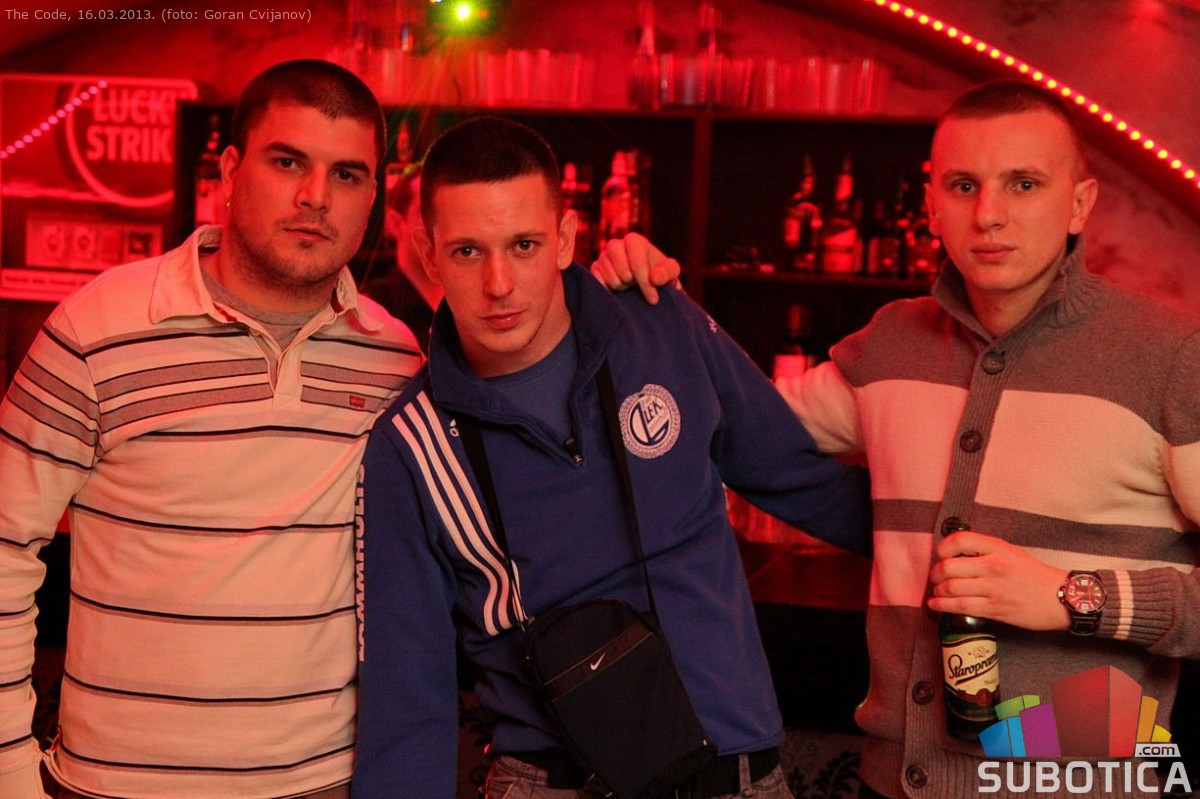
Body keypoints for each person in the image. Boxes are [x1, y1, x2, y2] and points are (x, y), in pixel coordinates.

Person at [599, 79, 1200, 798]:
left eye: (1024, 184)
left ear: (1079, 203)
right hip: (891, 783)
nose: (989, 214)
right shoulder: (892, 343)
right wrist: (651, 308)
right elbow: (728, 427)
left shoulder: (1170, 358)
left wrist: (1072, 595)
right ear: (930, 205)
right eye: (964, 185)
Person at [352, 116, 873, 798]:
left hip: (735, 771)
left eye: (525, 244)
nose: (499, 283)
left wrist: (963, 548)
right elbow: (406, 689)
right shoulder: (410, 444)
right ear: (427, 254)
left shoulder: (660, 325)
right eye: (468, 251)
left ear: (566, 238)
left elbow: (800, 477)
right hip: (553, 782)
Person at [0, 60, 423, 799]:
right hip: (117, 786)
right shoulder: (97, 327)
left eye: (347, 174)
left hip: (324, 785)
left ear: (373, 197)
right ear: (229, 170)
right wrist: (8, 769)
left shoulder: (395, 359)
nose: (315, 196)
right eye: (287, 161)